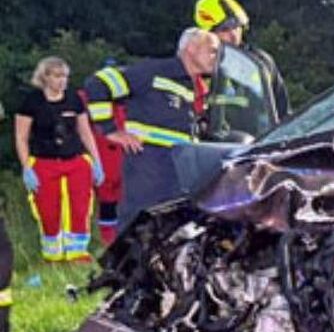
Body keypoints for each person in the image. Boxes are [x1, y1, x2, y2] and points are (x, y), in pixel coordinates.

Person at [88, 28, 220, 228]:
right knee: (138, 231)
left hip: (179, 173)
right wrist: (110, 130)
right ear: (191, 48)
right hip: (148, 169)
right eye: (212, 50)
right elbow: (98, 84)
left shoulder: (194, 86)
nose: (216, 57)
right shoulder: (155, 71)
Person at [15, 58, 106, 262]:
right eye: (57, 76)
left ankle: (78, 252)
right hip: (44, 162)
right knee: (47, 209)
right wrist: (26, 167)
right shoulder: (32, 101)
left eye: (65, 76)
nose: (62, 81)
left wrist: (97, 162)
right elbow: (21, 137)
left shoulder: (74, 99)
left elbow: (85, 132)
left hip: (75, 161)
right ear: (45, 77)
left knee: (81, 207)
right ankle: (52, 255)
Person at [193, 0, 289, 138]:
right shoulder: (196, 66)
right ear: (206, 34)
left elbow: (283, 110)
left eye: (237, 27)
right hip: (212, 148)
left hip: (258, 145)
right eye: (224, 29)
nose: (233, 35)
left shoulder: (262, 62)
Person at [80, 59, 127, 246]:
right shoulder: (87, 100)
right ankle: (109, 241)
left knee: (121, 202)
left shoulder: (128, 102)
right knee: (107, 203)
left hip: (124, 161)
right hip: (102, 160)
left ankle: (117, 238)